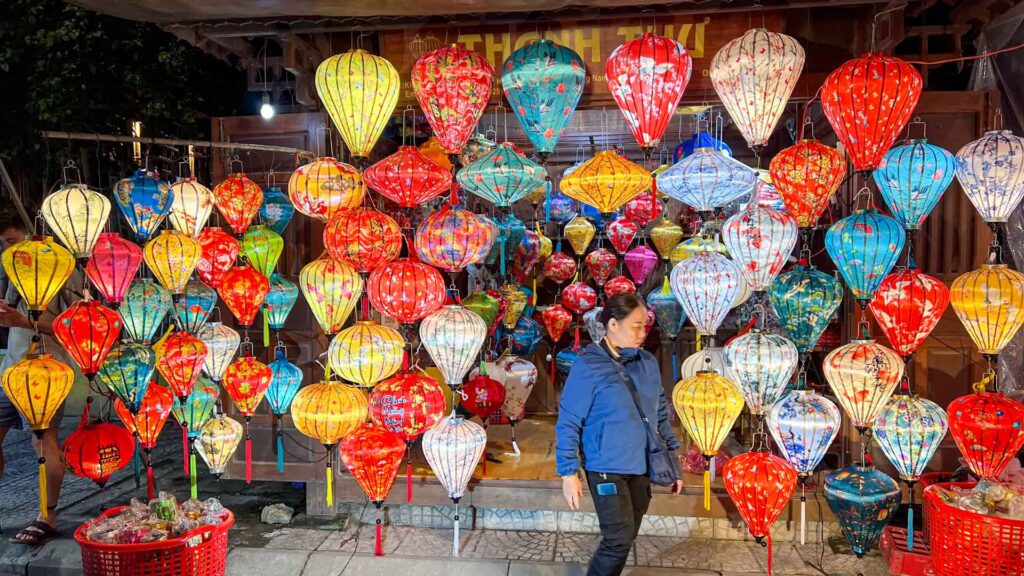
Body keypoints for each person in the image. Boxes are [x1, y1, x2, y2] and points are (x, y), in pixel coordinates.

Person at [555, 293, 683, 576]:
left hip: (640, 463)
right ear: (613, 324)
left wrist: (673, 460)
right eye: (636, 325)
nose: (642, 332)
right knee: (618, 538)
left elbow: (659, 412)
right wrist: (568, 473)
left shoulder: (647, 362)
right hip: (604, 466)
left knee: (627, 535)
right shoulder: (588, 365)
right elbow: (568, 421)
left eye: (645, 326)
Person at [0, 213, 82, 545]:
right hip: (10, 369)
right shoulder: (11, 270)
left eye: (12, 242)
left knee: (43, 443)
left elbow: (77, 325)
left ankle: (46, 515)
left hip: (48, 373)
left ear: (31, 235)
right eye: (3, 245)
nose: (8, 251)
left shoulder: (63, 268)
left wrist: (23, 321)